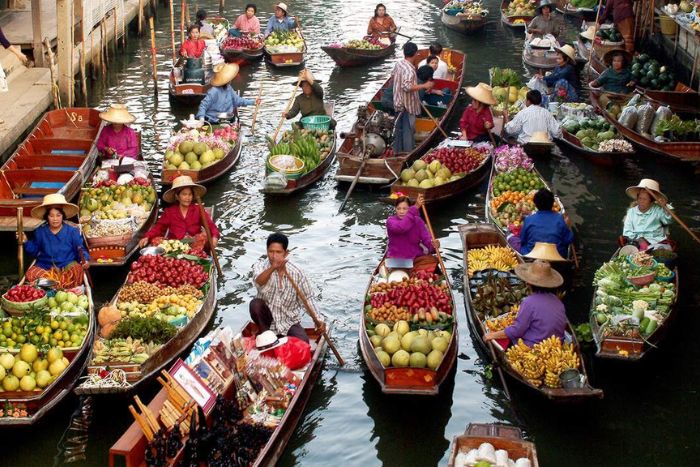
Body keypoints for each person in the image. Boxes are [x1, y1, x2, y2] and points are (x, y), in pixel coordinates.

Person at [250, 232, 326, 343]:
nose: (274, 256)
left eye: (278, 252)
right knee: (255, 304)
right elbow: (259, 282)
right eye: (271, 252)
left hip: (288, 321)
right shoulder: (260, 266)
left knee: (304, 343)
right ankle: (266, 336)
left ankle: (278, 339)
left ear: (286, 253)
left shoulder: (296, 273)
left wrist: (318, 320)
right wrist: (273, 267)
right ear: (267, 251)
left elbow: (308, 299)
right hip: (267, 322)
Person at [484, 260, 566, 347]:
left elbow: (517, 331)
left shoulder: (529, 302)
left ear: (528, 283)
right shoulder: (557, 301)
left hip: (535, 348)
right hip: (558, 344)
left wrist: (491, 335)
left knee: (509, 339)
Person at [19, 194, 89, 289]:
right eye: (51, 216)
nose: (55, 219)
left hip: (66, 266)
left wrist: (84, 260)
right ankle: (58, 285)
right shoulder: (40, 231)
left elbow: (80, 250)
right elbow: (35, 251)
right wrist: (26, 241)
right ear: (47, 217)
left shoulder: (72, 231)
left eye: (58, 215)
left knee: (77, 270)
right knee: (31, 274)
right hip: (46, 267)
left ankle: (52, 286)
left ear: (62, 216)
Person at [139, 175, 219, 248]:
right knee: (155, 240)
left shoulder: (198, 209)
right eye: (184, 194)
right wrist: (147, 237)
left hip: (195, 243)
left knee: (205, 236)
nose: (188, 198)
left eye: (190, 194)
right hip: (176, 244)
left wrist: (215, 237)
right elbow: (158, 228)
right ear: (177, 196)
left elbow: (210, 225)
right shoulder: (169, 212)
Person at [392, 42, 433, 153]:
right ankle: (407, 153)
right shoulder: (409, 70)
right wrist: (424, 85)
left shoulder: (399, 64)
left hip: (397, 102)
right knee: (408, 131)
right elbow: (407, 87)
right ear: (415, 54)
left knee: (398, 130)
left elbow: (394, 78)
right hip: (406, 105)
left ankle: (397, 151)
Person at [519, 189, 573, 258]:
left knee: (513, 239)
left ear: (536, 204)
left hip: (532, 255)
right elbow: (568, 239)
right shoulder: (559, 219)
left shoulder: (528, 220)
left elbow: (523, 240)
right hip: (557, 257)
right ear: (552, 203)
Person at [621, 179, 674, 251]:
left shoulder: (658, 210)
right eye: (640, 198)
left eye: (645, 199)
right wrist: (639, 239)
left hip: (656, 241)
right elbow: (627, 232)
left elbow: (668, 221)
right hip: (636, 241)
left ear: (651, 201)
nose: (641, 201)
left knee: (661, 251)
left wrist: (665, 207)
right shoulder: (631, 212)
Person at [387, 194, 439, 260]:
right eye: (398, 208)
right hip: (396, 259)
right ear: (395, 209)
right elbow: (401, 228)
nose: (401, 211)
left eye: (405, 209)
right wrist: (416, 207)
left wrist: (434, 245)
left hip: (415, 257)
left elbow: (426, 239)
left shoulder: (418, 221)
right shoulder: (390, 221)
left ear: (409, 208)